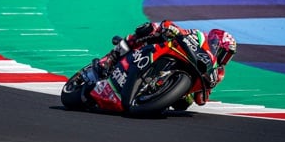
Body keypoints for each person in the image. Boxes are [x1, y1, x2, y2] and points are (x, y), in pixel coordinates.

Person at [94, 20, 237, 108]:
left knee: (184, 105)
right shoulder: (199, 37)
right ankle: (111, 57)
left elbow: (201, 100)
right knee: (149, 28)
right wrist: (171, 29)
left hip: (179, 83)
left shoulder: (217, 72)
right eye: (225, 53)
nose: (225, 59)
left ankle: (154, 94)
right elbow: (177, 30)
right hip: (165, 49)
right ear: (216, 43)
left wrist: (201, 91)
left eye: (228, 56)